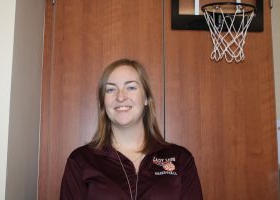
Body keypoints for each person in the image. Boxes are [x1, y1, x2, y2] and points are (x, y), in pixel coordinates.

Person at [60, 59, 203, 200]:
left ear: (146, 98)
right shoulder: (80, 161)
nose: (120, 97)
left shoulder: (181, 159)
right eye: (110, 89)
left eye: (131, 87)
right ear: (103, 103)